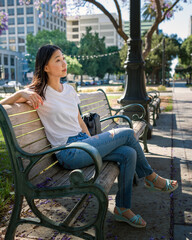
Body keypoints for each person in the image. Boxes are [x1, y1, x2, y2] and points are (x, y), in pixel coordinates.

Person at [0, 44, 178, 228]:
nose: (64, 63)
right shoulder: (39, 93)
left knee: (128, 154)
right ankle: (150, 177)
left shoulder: (68, 90)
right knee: (126, 133)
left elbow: (79, 121)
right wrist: (21, 93)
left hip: (83, 144)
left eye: (63, 58)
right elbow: (2, 106)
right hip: (68, 153)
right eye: (57, 60)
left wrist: (89, 138)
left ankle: (122, 209)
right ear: (45, 67)